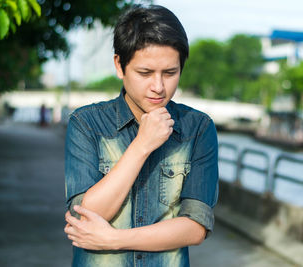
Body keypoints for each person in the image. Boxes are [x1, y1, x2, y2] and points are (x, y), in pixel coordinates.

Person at [64, 5, 219, 267]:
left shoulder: (198, 128)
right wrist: (141, 146)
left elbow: (195, 227)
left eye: (170, 73)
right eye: (145, 73)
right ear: (119, 65)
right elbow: (84, 216)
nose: (158, 87)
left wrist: (113, 239)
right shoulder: (86, 123)